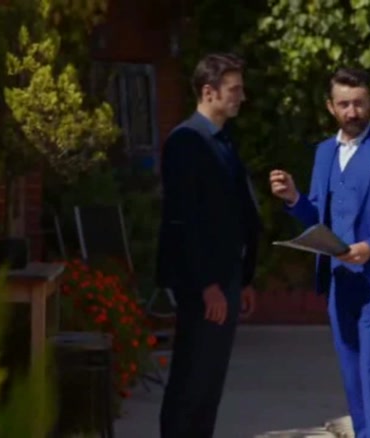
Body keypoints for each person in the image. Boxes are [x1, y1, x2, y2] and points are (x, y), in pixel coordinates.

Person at [269, 67, 370, 437]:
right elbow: (317, 214)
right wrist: (293, 198)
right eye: (344, 104)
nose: (352, 112)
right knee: (352, 376)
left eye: (359, 103)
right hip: (339, 282)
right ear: (331, 107)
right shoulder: (324, 152)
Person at [155, 52, 262, 438]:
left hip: (226, 277)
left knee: (210, 385)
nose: (241, 97)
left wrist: (244, 277)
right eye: (234, 89)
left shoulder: (222, 141)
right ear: (208, 92)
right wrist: (207, 285)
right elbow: (183, 220)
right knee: (191, 381)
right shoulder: (187, 141)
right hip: (204, 284)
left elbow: (235, 212)